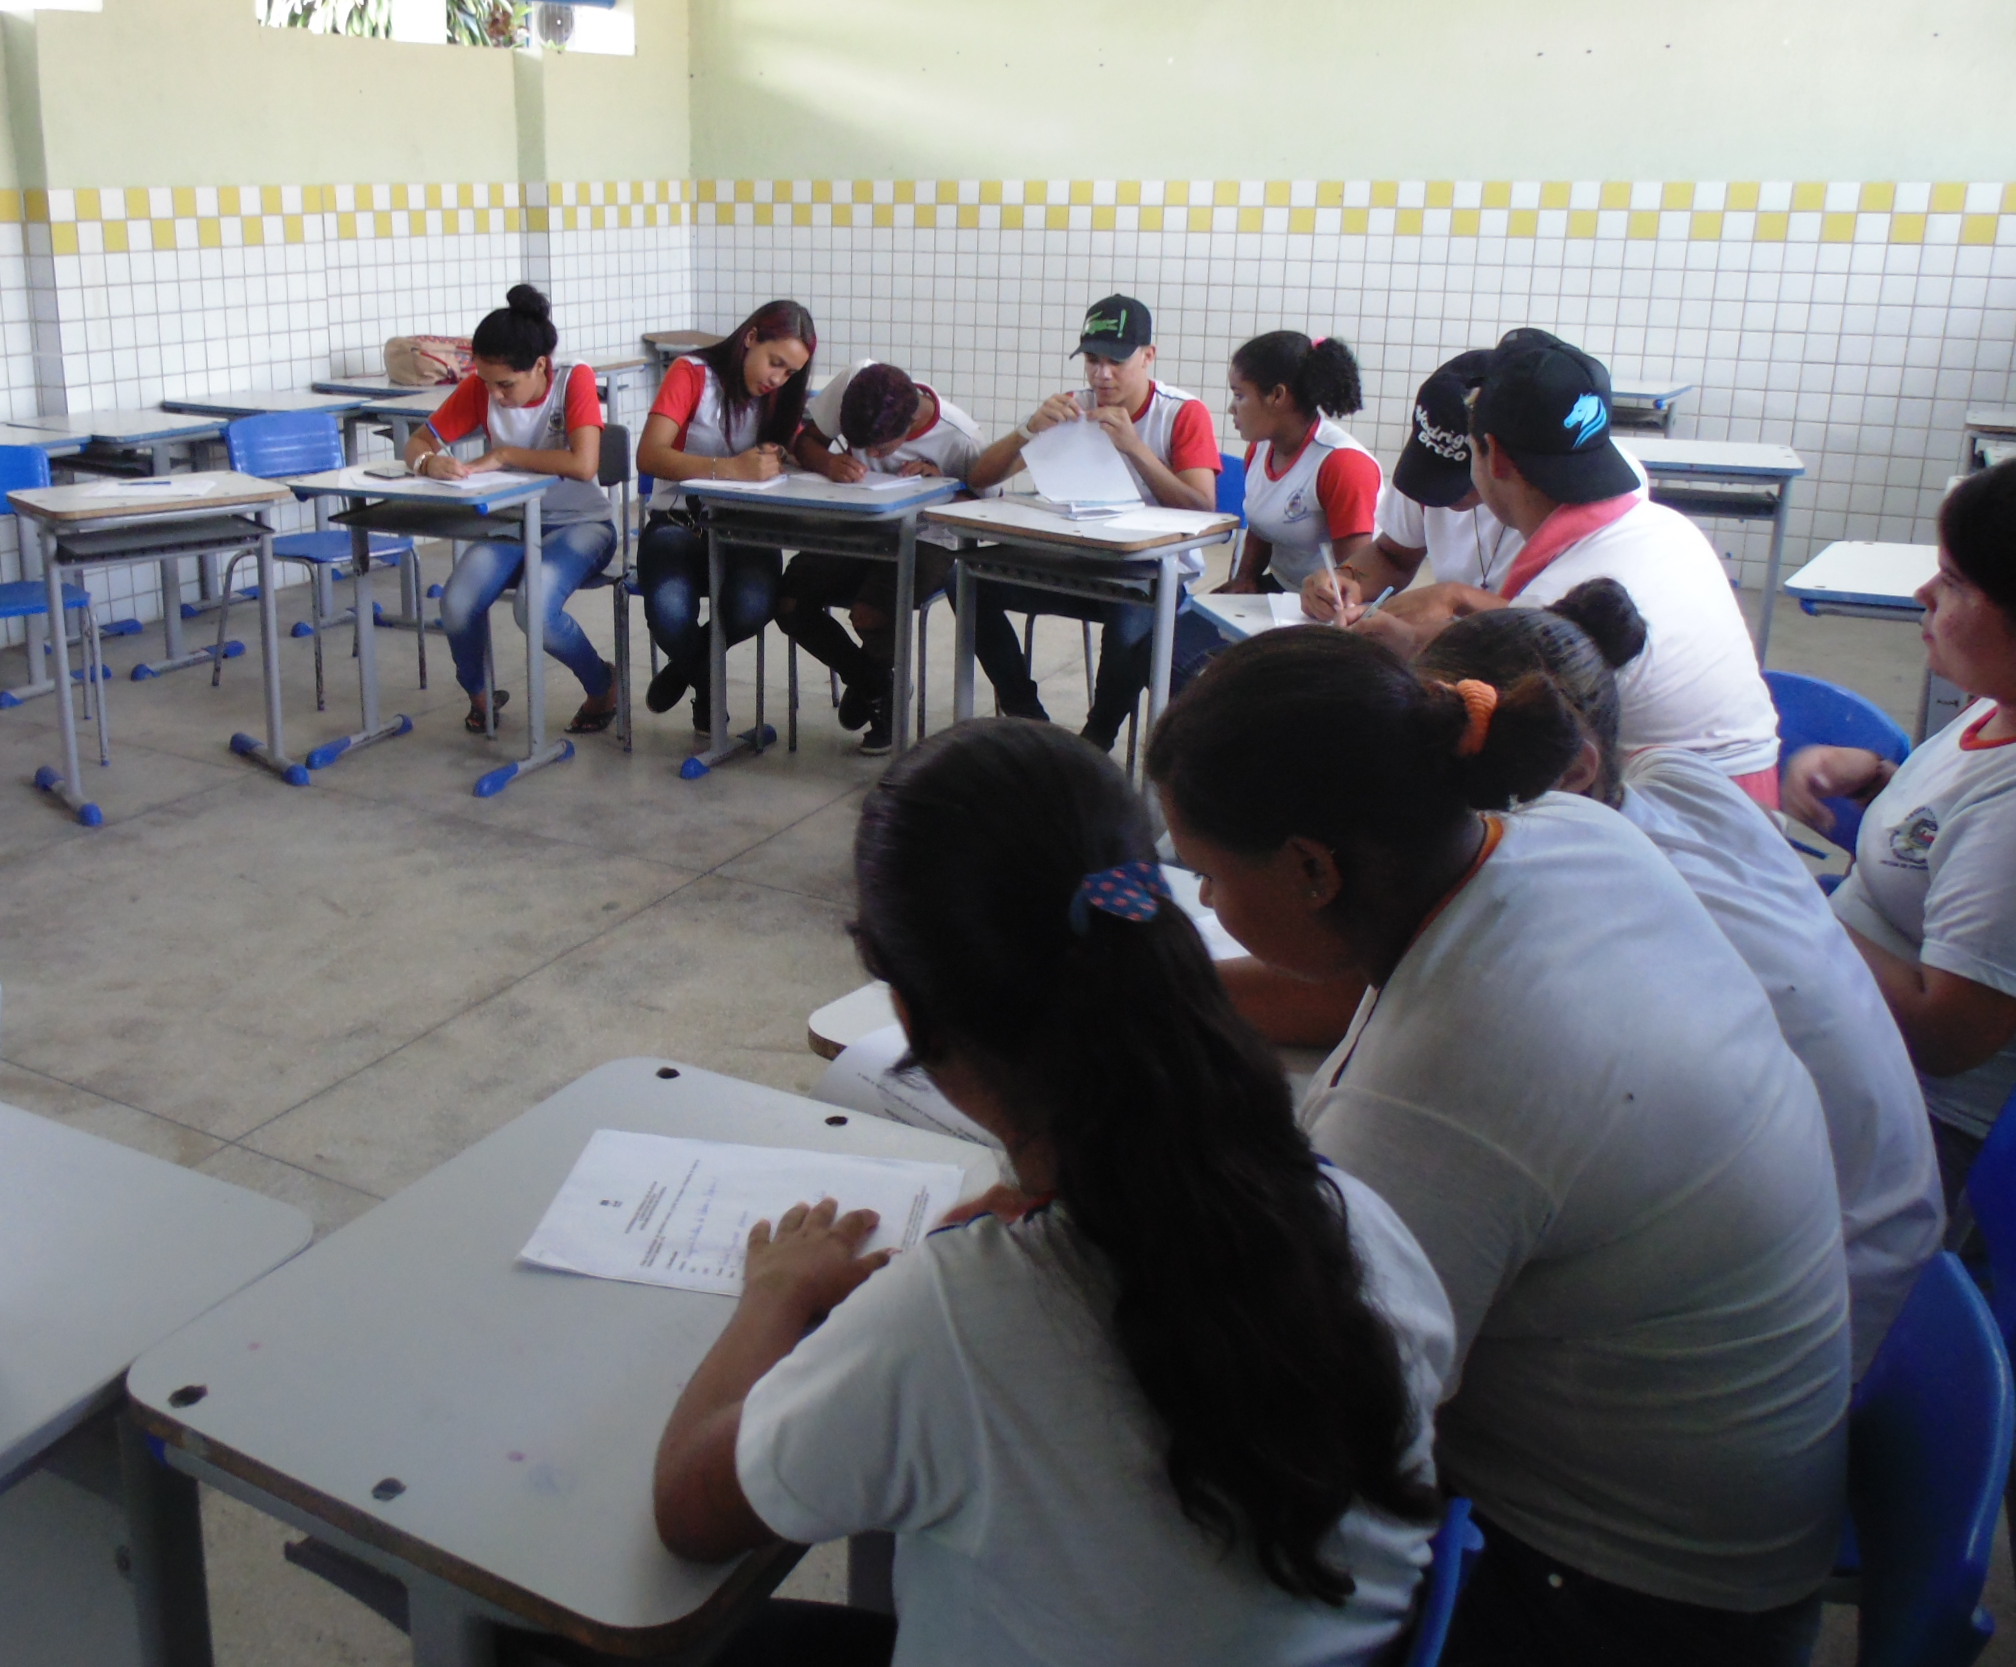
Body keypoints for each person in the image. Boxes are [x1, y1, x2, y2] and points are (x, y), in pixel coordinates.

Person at [652, 719, 1454, 1667]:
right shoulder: (1365, 1228)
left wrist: (777, 1292)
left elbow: (690, 1509)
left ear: (910, 1010)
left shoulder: (960, 1321)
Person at [1145, 628, 1850, 1667]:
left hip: (1637, 1606)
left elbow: (1311, 1419)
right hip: (1740, 1511)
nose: (1202, 906)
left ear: (1309, 869)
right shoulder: (1560, 834)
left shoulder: (1453, 1077)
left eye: (1205, 875)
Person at [1418, 580, 1942, 1379]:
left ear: (1574, 768)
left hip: (1822, 1305)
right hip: (1878, 1226)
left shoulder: (1583, 893)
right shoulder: (1670, 779)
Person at [1365, 331, 1782, 800]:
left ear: (1493, 456)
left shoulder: (1558, 592)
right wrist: (1410, 639)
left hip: (1678, 827)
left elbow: (1497, 762)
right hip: (1749, 801)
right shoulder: (1666, 525)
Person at [1788, 458, 2016, 1213]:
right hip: (1852, 1042)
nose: (1923, 593)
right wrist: (1878, 780)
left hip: (1918, 1124)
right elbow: (1946, 852)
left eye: (1952, 583)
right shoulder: (1995, 711)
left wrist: (1786, 901)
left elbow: (1945, 1039)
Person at [960, 294, 1226, 742]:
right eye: (1092, 360)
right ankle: (1026, 715)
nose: (1102, 374)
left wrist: (1135, 447)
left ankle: (1094, 741)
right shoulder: (1073, 406)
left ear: (1148, 357)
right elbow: (980, 478)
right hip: (1078, 557)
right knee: (965, 579)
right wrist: (1028, 430)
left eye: (1116, 362)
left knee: (1127, 623)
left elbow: (1203, 510)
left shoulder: (1182, 413)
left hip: (1153, 569)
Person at [398, 286, 620, 736]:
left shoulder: (572, 379)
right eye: (486, 383)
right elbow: (418, 440)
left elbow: (583, 464)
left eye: (506, 385)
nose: (495, 396)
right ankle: (482, 697)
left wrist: (504, 456)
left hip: (579, 524)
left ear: (540, 366)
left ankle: (603, 686)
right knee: (457, 604)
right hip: (512, 523)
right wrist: (428, 461)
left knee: (533, 608)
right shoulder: (482, 388)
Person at [777, 361, 991, 753]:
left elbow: (985, 513)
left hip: (928, 536)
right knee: (789, 604)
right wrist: (829, 462)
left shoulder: (961, 438)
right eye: (860, 445)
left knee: (871, 613)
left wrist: (944, 484)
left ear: (909, 424)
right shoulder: (853, 385)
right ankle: (876, 684)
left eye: (879, 448)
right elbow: (806, 441)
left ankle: (879, 701)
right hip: (860, 524)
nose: (869, 454)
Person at [637, 301, 816, 735]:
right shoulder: (692, 373)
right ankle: (708, 684)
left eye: (790, 373)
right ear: (750, 338)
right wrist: (727, 468)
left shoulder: (778, 396)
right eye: (775, 363)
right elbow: (649, 454)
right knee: (668, 612)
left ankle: (687, 671)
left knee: (752, 607)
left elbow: (801, 444)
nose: (777, 379)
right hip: (677, 523)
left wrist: (831, 463)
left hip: (746, 529)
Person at [1301, 351, 1520, 621]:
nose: (1441, 498)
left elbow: (1554, 628)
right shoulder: (1425, 475)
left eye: (1458, 479)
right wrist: (1346, 576)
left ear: (1497, 457)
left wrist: (1453, 598)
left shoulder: (1555, 511)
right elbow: (1391, 555)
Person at [1216, 331, 1378, 597]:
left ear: (1277, 396)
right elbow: (1263, 522)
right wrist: (1246, 578)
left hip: (1335, 601)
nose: (1232, 408)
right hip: (1285, 589)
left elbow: (1356, 576)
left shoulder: (1342, 464)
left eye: (1239, 395)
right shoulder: (1260, 449)